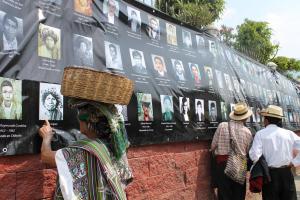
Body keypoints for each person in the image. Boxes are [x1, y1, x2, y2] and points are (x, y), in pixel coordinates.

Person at [39, 67, 133, 199]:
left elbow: (46, 156)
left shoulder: (85, 150)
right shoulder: (113, 144)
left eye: (80, 116)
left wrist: (46, 137)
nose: (78, 120)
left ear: (89, 122)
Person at [249, 105, 300, 200]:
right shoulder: (289, 134)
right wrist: (294, 162)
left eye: (264, 118)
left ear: (267, 120)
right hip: (286, 173)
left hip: (269, 176)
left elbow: (254, 156)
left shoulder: (260, 134)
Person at [211, 102, 253, 200]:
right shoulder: (247, 132)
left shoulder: (222, 126)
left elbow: (213, 146)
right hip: (240, 166)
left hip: (222, 165)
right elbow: (249, 152)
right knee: (238, 195)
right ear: (245, 118)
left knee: (224, 195)